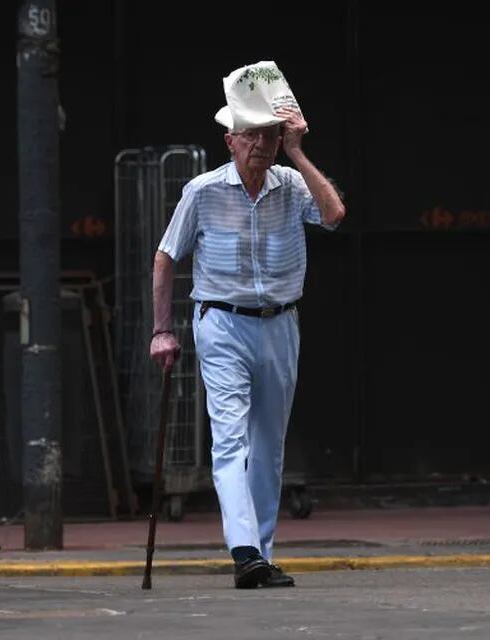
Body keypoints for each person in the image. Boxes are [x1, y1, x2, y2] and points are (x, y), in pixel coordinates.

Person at [149, 61, 346, 589]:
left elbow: (333, 216)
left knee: (269, 443)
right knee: (231, 438)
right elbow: (166, 258)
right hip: (222, 323)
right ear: (229, 139)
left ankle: (261, 550)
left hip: (280, 323)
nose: (260, 143)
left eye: (269, 133)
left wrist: (300, 153)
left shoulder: (290, 183)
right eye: (250, 134)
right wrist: (162, 329)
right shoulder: (203, 191)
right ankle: (244, 552)